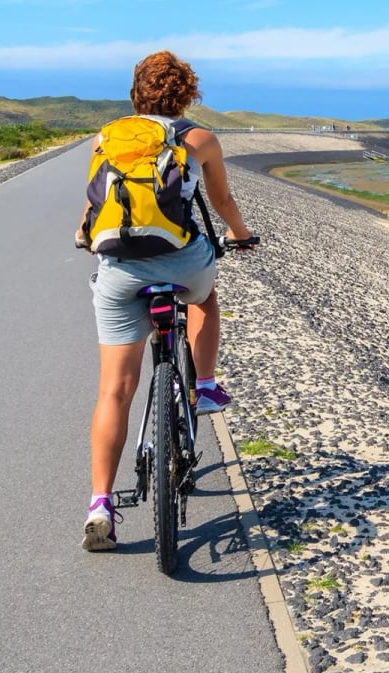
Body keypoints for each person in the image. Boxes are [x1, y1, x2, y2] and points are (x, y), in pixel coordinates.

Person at [75, 50, 258, 552]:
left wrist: (83, 233)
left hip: (120, 268)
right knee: (206, 298)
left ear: (136, 92)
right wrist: (240, 234)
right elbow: (221, 203)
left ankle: (100, 505)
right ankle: (203, 384)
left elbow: (97, 200)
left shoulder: (106, 137)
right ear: (186, 94)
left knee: (115, 389)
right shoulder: (199, 139)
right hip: (181, 262)